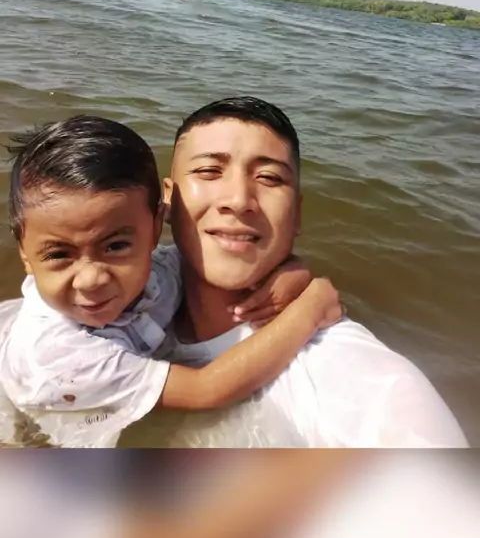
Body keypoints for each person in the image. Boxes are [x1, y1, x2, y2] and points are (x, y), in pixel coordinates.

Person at [0, 115, 341, 448]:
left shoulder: (160, 270)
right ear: (25, 255)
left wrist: (293, 270)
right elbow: (205, 390)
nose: (91, 280)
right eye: (59, 255)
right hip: (35, 420)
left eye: (116, 246)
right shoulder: (57, 355)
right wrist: (311, 308)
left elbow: (228, 257)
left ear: (155, 226)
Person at [161, 96, 468, 447]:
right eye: (209, 172)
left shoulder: (370, 387)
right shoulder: (125, 301)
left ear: (297, 213)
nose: (239, 199)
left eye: (269, 178)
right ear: (166, 200)